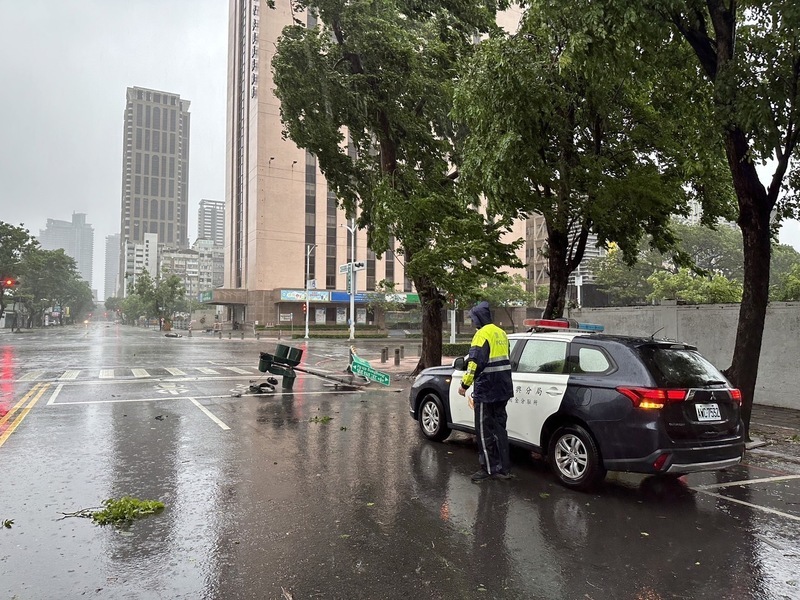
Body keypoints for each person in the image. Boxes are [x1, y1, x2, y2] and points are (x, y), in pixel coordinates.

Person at [458, 301, 514, 482]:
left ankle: (489, 469)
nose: (473, 322)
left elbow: (474, 363)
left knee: (484, 430)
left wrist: (464, 385)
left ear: (478, 318)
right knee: (500, 429)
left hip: (487, 389)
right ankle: (504, 469)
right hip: (503, 387)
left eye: (474, 319)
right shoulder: (501, 333)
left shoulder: (481, 335)